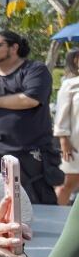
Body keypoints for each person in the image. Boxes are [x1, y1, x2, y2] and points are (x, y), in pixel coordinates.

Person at [0, 28, 57, 205]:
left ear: (14, 47)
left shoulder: (35, 69)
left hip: (30, 151)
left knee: (35, 205)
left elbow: (29, 100)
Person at [54, 49, 79, 205]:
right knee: (66, 184)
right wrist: (63, 140)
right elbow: (61, 115)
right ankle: (56, 222)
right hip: (74, 144)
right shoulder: (69, 84)